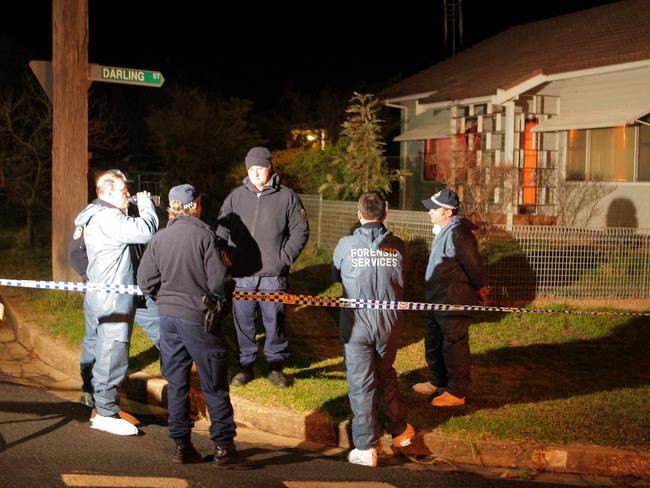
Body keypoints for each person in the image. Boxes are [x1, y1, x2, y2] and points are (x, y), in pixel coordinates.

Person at [138, 184, 244, 468]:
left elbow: (145, 281)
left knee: (177, 383)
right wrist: (219, 301)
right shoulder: (206, 236)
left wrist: (165, 297)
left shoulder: (160, 238)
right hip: (198, 318)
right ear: (195, 205)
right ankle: (224, 448)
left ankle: (181, 446)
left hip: (168, 319)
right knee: (214, 384)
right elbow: (219, 282)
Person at [71, 169, 158, 435]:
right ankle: (106, 413)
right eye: (123, 191)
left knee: (101, 347)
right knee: (113, 352)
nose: (128, 195)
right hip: (113, 299)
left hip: (102, 294)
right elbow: (146, 231)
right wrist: (147, 205)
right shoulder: (109, 217)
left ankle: (101, 403)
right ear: (107, 192)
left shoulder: (96, 215)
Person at [332, 191, 415, 467]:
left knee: (361, 384)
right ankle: (400, 431)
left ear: (359, 215)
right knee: (385, 374)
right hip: (389, 325)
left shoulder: (345, 245)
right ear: (385, 214)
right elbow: (404, 277)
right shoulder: (399, 246)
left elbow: (335, 274)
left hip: (357, 326)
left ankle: (366, 447)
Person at [218, 147, 309, 388]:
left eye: (260, 168)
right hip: (242, 275)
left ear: (269, 168)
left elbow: (300, 231)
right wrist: (226, 255)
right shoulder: (235, 197)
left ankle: (275, 366)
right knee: (243, 321)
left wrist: (284, 258)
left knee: (274, 321)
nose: (256, 173)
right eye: (251, 169)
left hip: (272, 275)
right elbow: (222, 229)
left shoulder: (287, 197)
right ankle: (245, 366)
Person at [413, 188, 489, 407]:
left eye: (433, 209)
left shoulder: (459, 233)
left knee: (454, 344)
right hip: (438, 299)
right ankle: (438, 382)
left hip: (452, 300)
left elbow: (472, 264)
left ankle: (456, 392)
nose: (429, 212)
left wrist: (481, 286)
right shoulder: (446, 229)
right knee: (434, 341)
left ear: (447, 211)